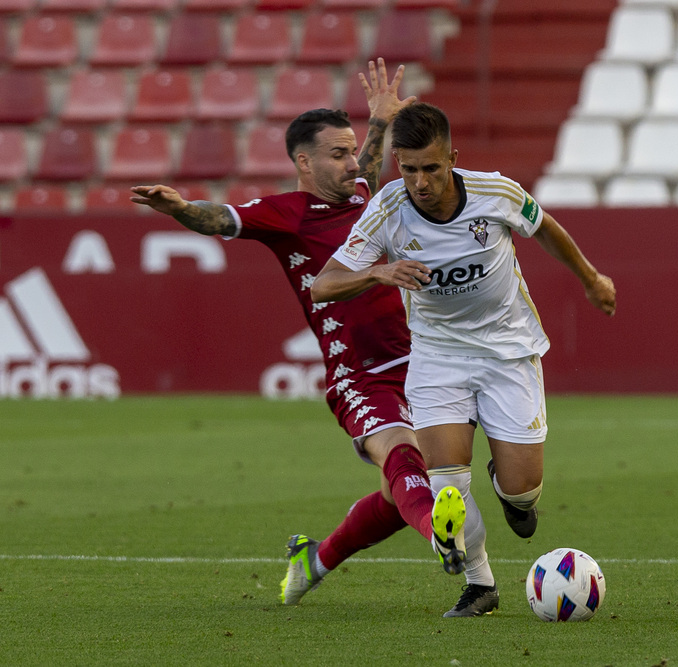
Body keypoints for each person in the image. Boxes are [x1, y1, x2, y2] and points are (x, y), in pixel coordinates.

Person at [129, 61, 472, 614]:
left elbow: (367, 166)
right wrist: (182, 210)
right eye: (337, 154)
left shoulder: (365, 194)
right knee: (402, 455)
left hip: (420, 360)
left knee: (396, 491)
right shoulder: (285, 215)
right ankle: (440, 534)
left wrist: (381, 121)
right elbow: (220, 217)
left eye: (352, 149)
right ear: (303, 162)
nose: (352, 162)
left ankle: (315, 560)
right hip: (357, 372)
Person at [310, 102, 617, 617]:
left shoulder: (496, 193)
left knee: (523, 493)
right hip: (437, 358)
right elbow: (323, 285)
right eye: (408, 170)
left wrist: (590, 278)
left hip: (508, 351)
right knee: (447, 483)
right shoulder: (387, 210)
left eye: (431, 167)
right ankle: (481, 585)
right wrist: (378, 274)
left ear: (452, 157)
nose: (421, 182)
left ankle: (510, 490)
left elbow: (545, 228)